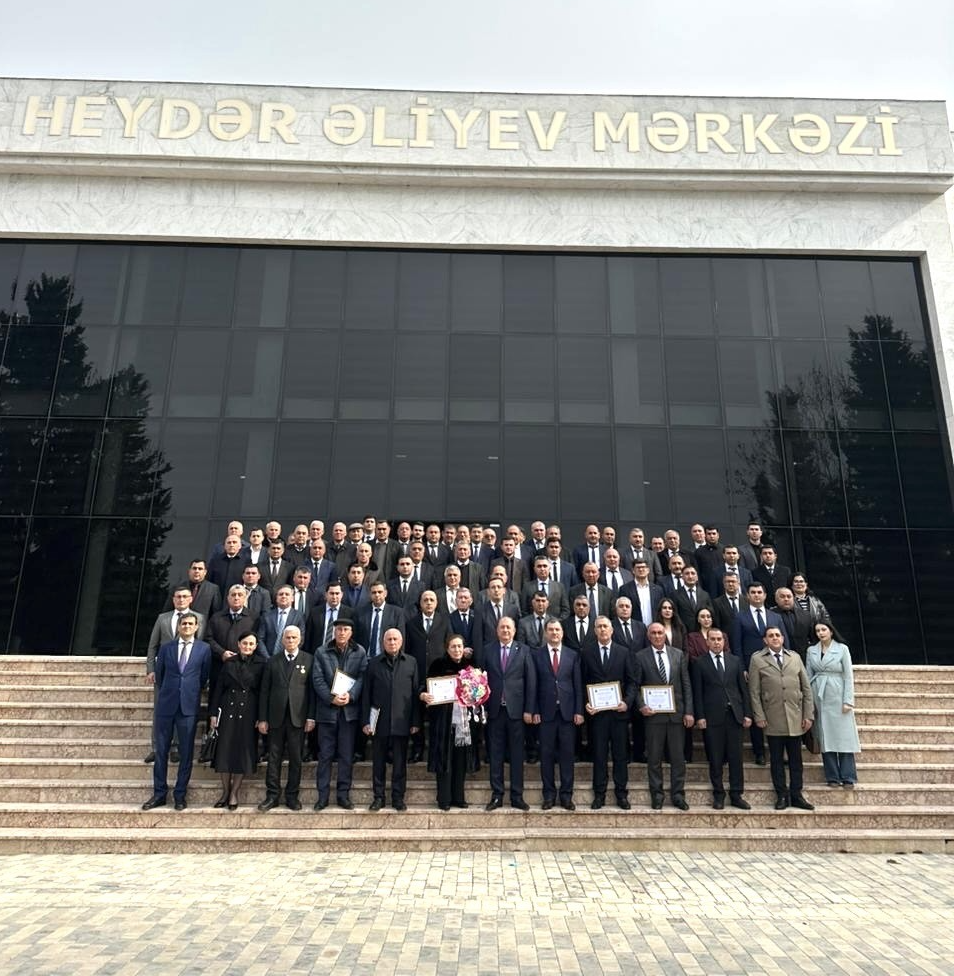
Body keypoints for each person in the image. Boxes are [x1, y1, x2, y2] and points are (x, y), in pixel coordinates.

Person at [142, 612, 211, 811]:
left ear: (196, 627)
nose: (187, 626)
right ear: (179, 627)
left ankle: (180, 794)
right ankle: (159, 793)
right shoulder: (166, 648)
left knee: (186, 752)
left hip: (188, 706)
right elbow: (160, 674)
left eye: (190, 624)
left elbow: (204, 676)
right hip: (166, 705)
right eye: (184, 623)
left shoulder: (204, 649)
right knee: (161, 751)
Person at [748, 626, 815, 811]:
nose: (775, 638)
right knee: (776, 761)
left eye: (778, 635)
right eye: (771, 636)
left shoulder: (794, 657)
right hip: (773, 717)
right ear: (765, 640)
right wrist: (759, 715)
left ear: (783, 638)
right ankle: (781, 795)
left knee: (796, 761)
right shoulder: (757, 659)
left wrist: (808, 714)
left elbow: (806, 688)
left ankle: (797, 795)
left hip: (795, 717)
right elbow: (754, 691)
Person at [477, 616, 536, 811]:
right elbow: (481, 681)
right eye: (502, 627)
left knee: (517, 755)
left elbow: (531, 682)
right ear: (497, 630)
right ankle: (497, 795)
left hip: (517, 712)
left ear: (514, 630)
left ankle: (517, 796)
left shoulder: (524, 650)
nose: (505, 631)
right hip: (494, 711)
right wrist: (482, 708)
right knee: (495, 754)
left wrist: (529, 709)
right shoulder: (488, 650)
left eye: (509, 628)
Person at [690, 629, 752, 810]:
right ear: (707, 642)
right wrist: (700, 716)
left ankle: (736, 794)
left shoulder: (735, 661)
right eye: (713, 639)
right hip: (712, 717)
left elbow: (743, 690)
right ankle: (719, 794)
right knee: (715, 758)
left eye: (719, 639)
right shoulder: (699, 663)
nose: (716, 642)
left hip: (734, 716)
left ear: (724, 642)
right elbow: (697, 692)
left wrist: (747, 713)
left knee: (736, 757)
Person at [635, 622, 694, 810]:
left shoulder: (678, 654)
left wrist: (689, 711)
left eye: (660, 632)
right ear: (648, 636)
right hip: (653, 717)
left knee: (678, 758)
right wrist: (641, 706)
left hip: (676, 714)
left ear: (665, 635)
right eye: (653, 633)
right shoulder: (640, 656)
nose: (657, 636)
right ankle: (657, 795)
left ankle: (678, 795)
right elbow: (635, 686)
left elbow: (686, 684)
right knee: (654, 759)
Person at [144, 585, 206, 763]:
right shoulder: (162, 618)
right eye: (178, 596)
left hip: (186, 675)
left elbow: (199, 647)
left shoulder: (199, 619)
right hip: (164, 674)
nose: (181, 599)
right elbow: (153, 645)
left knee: (182, 710)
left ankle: (176, 747)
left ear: (191, 599)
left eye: (185, 596)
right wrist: (150, 669)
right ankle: (157, 747)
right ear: (173, 599)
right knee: (160, 710)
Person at [256, 626, 315, 812]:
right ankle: (272, 795)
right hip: (275, 717)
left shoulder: (309, 659)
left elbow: (311, 692)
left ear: (300, 640)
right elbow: (264, 691)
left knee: (296, 758)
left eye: (294, 638)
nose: (290, 641)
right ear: (282, 640)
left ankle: (292, 796)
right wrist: (262, 718)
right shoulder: (272, 661)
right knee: (274, 758)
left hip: (298, 718)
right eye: (287, 637)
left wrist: (311, 717)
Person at [581, 616, 637, 809]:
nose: (603, 629)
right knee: (599, 755)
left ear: (612, 630)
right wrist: (586, 703)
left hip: (618, 713)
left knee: (620, 756)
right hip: (597, 715)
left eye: (605, 626)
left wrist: (626, 702)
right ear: (594, 630)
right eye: (599, 627)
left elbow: (632, 682)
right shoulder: (587, 653)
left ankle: (621, 794)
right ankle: (599, 794)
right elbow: (582, 682)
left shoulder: (624, 652)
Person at [312, 617, 368, 810]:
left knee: (346, 755)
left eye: (345, 629)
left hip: (349, 713)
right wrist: (331, 698)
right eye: (338, 629)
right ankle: (322, 796)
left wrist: (351, 696)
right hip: (327, 712)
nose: (342, 633)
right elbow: (317, 679)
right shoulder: (321, 652)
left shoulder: (360, 652)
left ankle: (343, 795)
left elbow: (362, 677)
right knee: (325, 755)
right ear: (333, 632)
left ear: (351, 632)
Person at [362, 629, 421, 811]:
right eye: (389, 639)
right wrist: (365, 721)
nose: (392, 642)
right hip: (379, 721)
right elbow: (366, 694)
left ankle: (398, 798)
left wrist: (415, 721)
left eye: (395, 639)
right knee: (378, 762)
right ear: (383, 642)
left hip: (401, 720)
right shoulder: (373, 663)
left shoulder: (411, 662)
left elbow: (415, 693)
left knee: (400, 764)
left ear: (401, 642)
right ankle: (378, 797)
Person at [529, 620, 583, 810]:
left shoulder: (572, 655)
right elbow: (533, 685)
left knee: (567, 756)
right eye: (551, 630)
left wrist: (578, 711)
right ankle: (549, 796)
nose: (554, 633)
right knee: (546, 755)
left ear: (562, 632)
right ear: (545, 633)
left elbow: (577, 685)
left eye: (557, 629)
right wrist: (535, 709)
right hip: (546, 713)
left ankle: (566, 796)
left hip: (567, 713)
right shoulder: (536, 654)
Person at [208, 632, 264, 810]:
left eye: (251, 644)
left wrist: (261, 717)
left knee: (242, 754)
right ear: (238, 644)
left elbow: (263, 693)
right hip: (228, 710)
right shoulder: (229, 662)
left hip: (248, 712)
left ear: (256, 646)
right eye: (244, 643)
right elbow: (218, 689)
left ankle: (234, 793)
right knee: (224, 752)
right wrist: (213, 714)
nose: (247, 647)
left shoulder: (261, 664)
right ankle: (225, 791)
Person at [806, 621, 861, 788]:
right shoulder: (811, 650)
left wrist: (848, 700)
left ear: (831, 631)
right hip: (819, 694)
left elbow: (848, 676)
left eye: (823, 629)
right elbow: (808, 675)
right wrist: (809, 702)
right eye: (817, 631)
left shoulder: (842, 649)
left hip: (837, 693)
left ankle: (848, 776)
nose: (820, 633)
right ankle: (832, 776)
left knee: (844, 736)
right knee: (825, 737)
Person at [421, 633, 472, 810]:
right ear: (447, 648)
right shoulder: (438, 665)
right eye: (453, 646)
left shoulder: (470, 667)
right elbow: (425, 687)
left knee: (460, 760)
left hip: (464, 722)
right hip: (443, 721)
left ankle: (458, 797)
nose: (457, 650)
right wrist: (424, 695)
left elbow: (477, 692)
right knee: (444, 760)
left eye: (459, 646)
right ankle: (444, 799)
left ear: (463, 648)